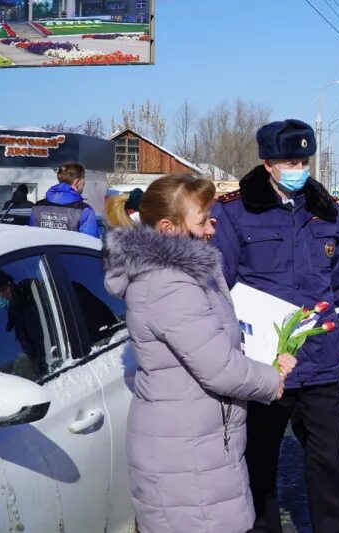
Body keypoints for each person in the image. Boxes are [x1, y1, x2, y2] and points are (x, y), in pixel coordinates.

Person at [103, 174, 296, 533]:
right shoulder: (168, 283)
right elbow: (219, 367)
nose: (212, 227)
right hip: (186, 455)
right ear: (169, 228)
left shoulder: (185, 272)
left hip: (197, 441)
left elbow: (212, 344)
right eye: (203, 219)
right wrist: (272, 380)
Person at [210, 119, 339, 532]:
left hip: (317, 364)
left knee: (328, 464)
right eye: (290, 160)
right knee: (259, 464)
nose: (299, 167)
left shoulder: (325, 210)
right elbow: (217, 288)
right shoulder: (234, 211)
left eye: (304, 159)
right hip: (261, 366)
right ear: (268, 163)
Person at [29, 162, 100, 237]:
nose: (84, 183)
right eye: (83, 181)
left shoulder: (37, 207)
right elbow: (90, 243)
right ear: (76, 182)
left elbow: (32, 238)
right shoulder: (85, 211)